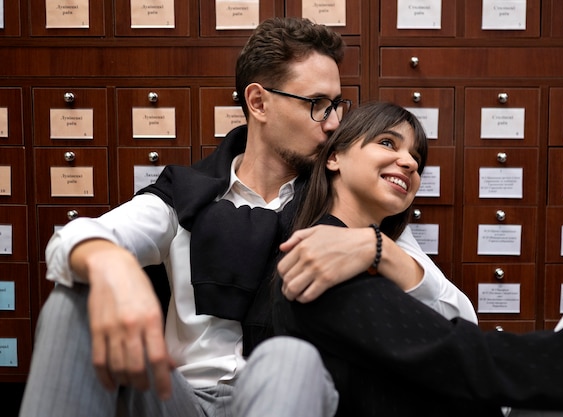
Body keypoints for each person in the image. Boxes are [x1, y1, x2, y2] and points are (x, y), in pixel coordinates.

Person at [19, 18, 475, 417]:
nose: (334, 123)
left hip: (288, 395)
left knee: (289, 359)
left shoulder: (345, 201)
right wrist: (112, 266)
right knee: (71, 303)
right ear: (258, 103)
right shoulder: (186, 195)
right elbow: (70, 241)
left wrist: (381, 250)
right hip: (179, 400)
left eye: (337, 105)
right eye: (317, 103)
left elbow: (460, 319)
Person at [269, 101, 563, 416]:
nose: (409, 162)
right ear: (334, 157)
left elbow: (452, 331)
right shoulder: (324, 257)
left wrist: (378, 247)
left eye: (417, 159)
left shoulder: (379, 248)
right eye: (387, 142)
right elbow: (462, 357)